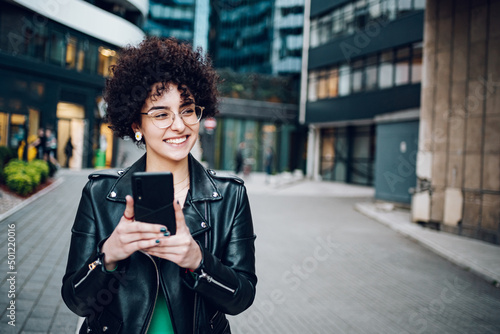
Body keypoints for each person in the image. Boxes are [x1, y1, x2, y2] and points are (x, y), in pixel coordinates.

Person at [61, 37, 257, 334]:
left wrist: (198, 261)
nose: (179, 125)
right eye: (161, 113)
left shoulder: (230, 197)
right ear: (136, 125)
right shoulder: (100, 194)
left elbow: (241, 298)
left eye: (188, 109)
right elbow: (77, 302)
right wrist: (108, 256)